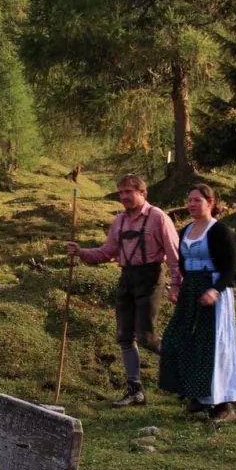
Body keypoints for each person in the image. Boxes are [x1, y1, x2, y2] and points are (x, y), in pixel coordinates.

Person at [66, 173, 180, 407]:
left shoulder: (158, 217)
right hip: (127, 277)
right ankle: (135, 390)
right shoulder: (119, 221)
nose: (124, 197)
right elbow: (107, 252)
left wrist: (177, 284)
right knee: (125, 337)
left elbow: (175, 255)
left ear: (142, 192)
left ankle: (184, 368)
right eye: (121, 192)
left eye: (129, 192)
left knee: (146, 337)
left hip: (150, 277)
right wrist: (80, 252)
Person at [159, 183, 236, 422]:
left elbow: (230, 268)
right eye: (189, 200)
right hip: (191, 288)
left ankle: (222, 402)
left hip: (214, 289)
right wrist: (177, 287)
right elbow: (181, 265)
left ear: (210, 203)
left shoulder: (219, 231)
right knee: (178, 338)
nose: (192, 204)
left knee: (212, 344)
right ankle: (195, 391)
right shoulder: (185, 230)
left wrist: (215, 290)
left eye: (197, 200)